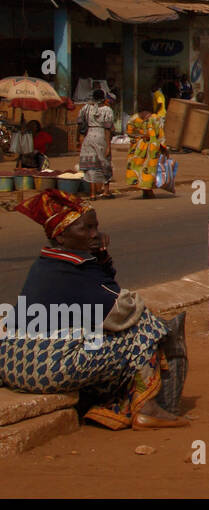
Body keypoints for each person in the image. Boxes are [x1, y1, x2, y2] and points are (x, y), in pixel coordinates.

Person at [0, 190, 189, 430]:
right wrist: (102, 259)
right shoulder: (73, 268)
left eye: (95, 228)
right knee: (144, 326)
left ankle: (106, 401)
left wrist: (99, 258)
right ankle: (147, 407)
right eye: (86, 229)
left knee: (105, 337)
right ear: (61, 237)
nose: (95, 235)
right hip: (45, 367)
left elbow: (102, 297)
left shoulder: (47, 262)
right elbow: (121, 311)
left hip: (12, 364)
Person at [124, 95, 166, 198]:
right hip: (152, 148)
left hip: (137, 148)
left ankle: (145, 190)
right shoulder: (155, 118)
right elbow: (160, 134)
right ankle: (148, 190)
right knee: (150, 169)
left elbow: (129, 132)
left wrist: (140, 136)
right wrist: (164, 148)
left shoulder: (134, 118)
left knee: (139, 168)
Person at [77, 89, 115, 199]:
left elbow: (80, 124)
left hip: (89, 137)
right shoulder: (107, 110)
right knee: (105, 163)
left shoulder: (86, 108)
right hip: (101, 136)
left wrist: (79, 138)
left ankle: (93, 193)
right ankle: (106, 191)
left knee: (91, 165)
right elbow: (108, 129)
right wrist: (108, 146)